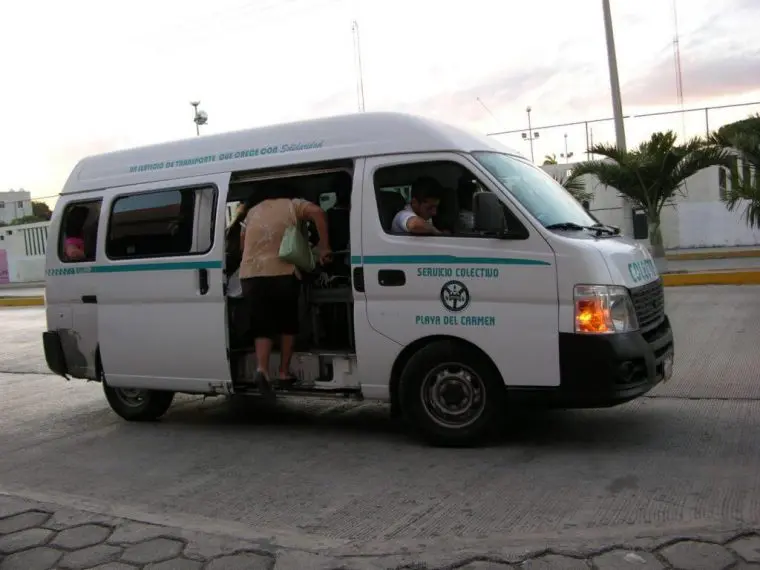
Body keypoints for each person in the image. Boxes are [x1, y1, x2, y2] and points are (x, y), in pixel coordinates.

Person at [239, 182, 331, 398]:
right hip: (281, 271)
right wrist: (324, 246)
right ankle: (283, 372)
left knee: (262, 325)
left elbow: (242, 246)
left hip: (251, 274)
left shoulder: (252, 212)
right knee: (287, 323)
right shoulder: (293, 204)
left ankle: (262, 369)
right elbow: (318, 212)